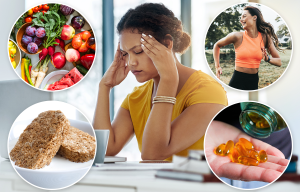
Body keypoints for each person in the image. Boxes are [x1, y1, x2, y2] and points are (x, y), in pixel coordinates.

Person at [93, 3, 227, 161]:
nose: (130, 63)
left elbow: (153, 154)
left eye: (138, 51)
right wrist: (104, 87)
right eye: (125, 54)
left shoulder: (208, 92)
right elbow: (104, 149)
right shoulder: (136, 98)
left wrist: (168, 79)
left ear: (167, 44)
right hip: (150, 185)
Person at [213, 6, 282, 90]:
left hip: (253, 80)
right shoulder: (237, 36)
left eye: (244, 16)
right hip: (237, 80)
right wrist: (217, 67)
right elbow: (217, 45)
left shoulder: (265, 37)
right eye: (240, 17)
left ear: (254, 18)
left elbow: (279, 62)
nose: (241, 19)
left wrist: (268, 59)